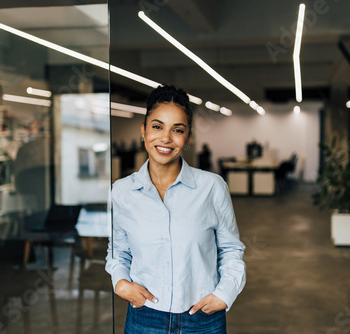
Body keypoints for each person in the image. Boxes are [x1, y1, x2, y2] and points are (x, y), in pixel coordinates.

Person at [105, 85, 246, 334]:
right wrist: (120, 283)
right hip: (145, 318)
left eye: (177, 130)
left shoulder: (212, 187)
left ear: (188, 137)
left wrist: (225, 294)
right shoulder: (122, 191)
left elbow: (231, 249)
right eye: (157, 127)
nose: (166, 138)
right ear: (143, 131)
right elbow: (118, 252)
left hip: (203, 318)